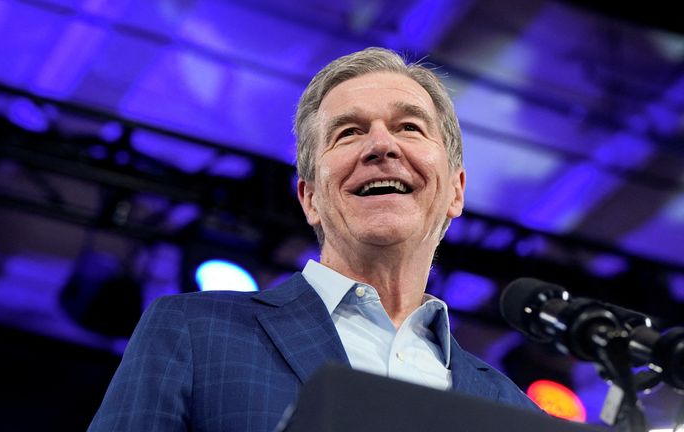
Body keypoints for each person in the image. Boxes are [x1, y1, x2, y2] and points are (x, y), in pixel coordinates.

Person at [87, 47, 539, 432]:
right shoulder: (192, 331)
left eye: (409, 128)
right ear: (310, 199)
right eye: (349, 132)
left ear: (456, 190)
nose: (381, 146)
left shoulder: (510, 409)